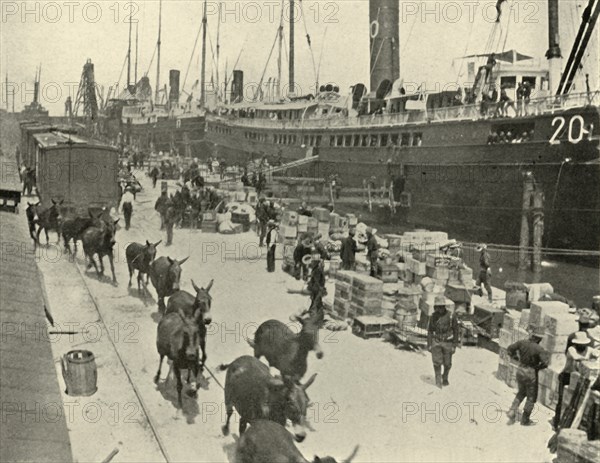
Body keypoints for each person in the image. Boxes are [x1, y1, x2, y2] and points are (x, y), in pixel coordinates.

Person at [553, 327, 599, 428]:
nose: (581, 346)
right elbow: (576, 357)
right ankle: (557, 422)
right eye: (580, 344)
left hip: (578, 378)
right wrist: (588, 359)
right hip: (566, 375)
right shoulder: (571, 349)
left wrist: (596, 354)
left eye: (583, 344)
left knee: (572, 402)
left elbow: (596, 353)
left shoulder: (589, 349)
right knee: (561, 400)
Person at [506, 326, 550, 426]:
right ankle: (525, 420)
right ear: (539, 338)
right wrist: (537, 368)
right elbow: (545, 363)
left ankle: (512, 410)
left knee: (521, 392)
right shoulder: (539, 349)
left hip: (520, 369)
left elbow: (509, 349)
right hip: (531, 372)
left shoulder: (521, 342)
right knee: (531, 397)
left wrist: (515, 358)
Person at [427, 297, 459, 388]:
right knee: (437, 362)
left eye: (441, 307)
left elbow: (456, 330)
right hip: (436, 341)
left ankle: (445, 377)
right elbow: (430, 331)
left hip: (448, 342)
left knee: (448, 364)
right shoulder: (433, 317)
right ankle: (438, 379)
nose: (439, 309)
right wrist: (429, 344)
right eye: (437, 307)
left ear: (444, 306)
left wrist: (454, 345)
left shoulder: (451, 316)